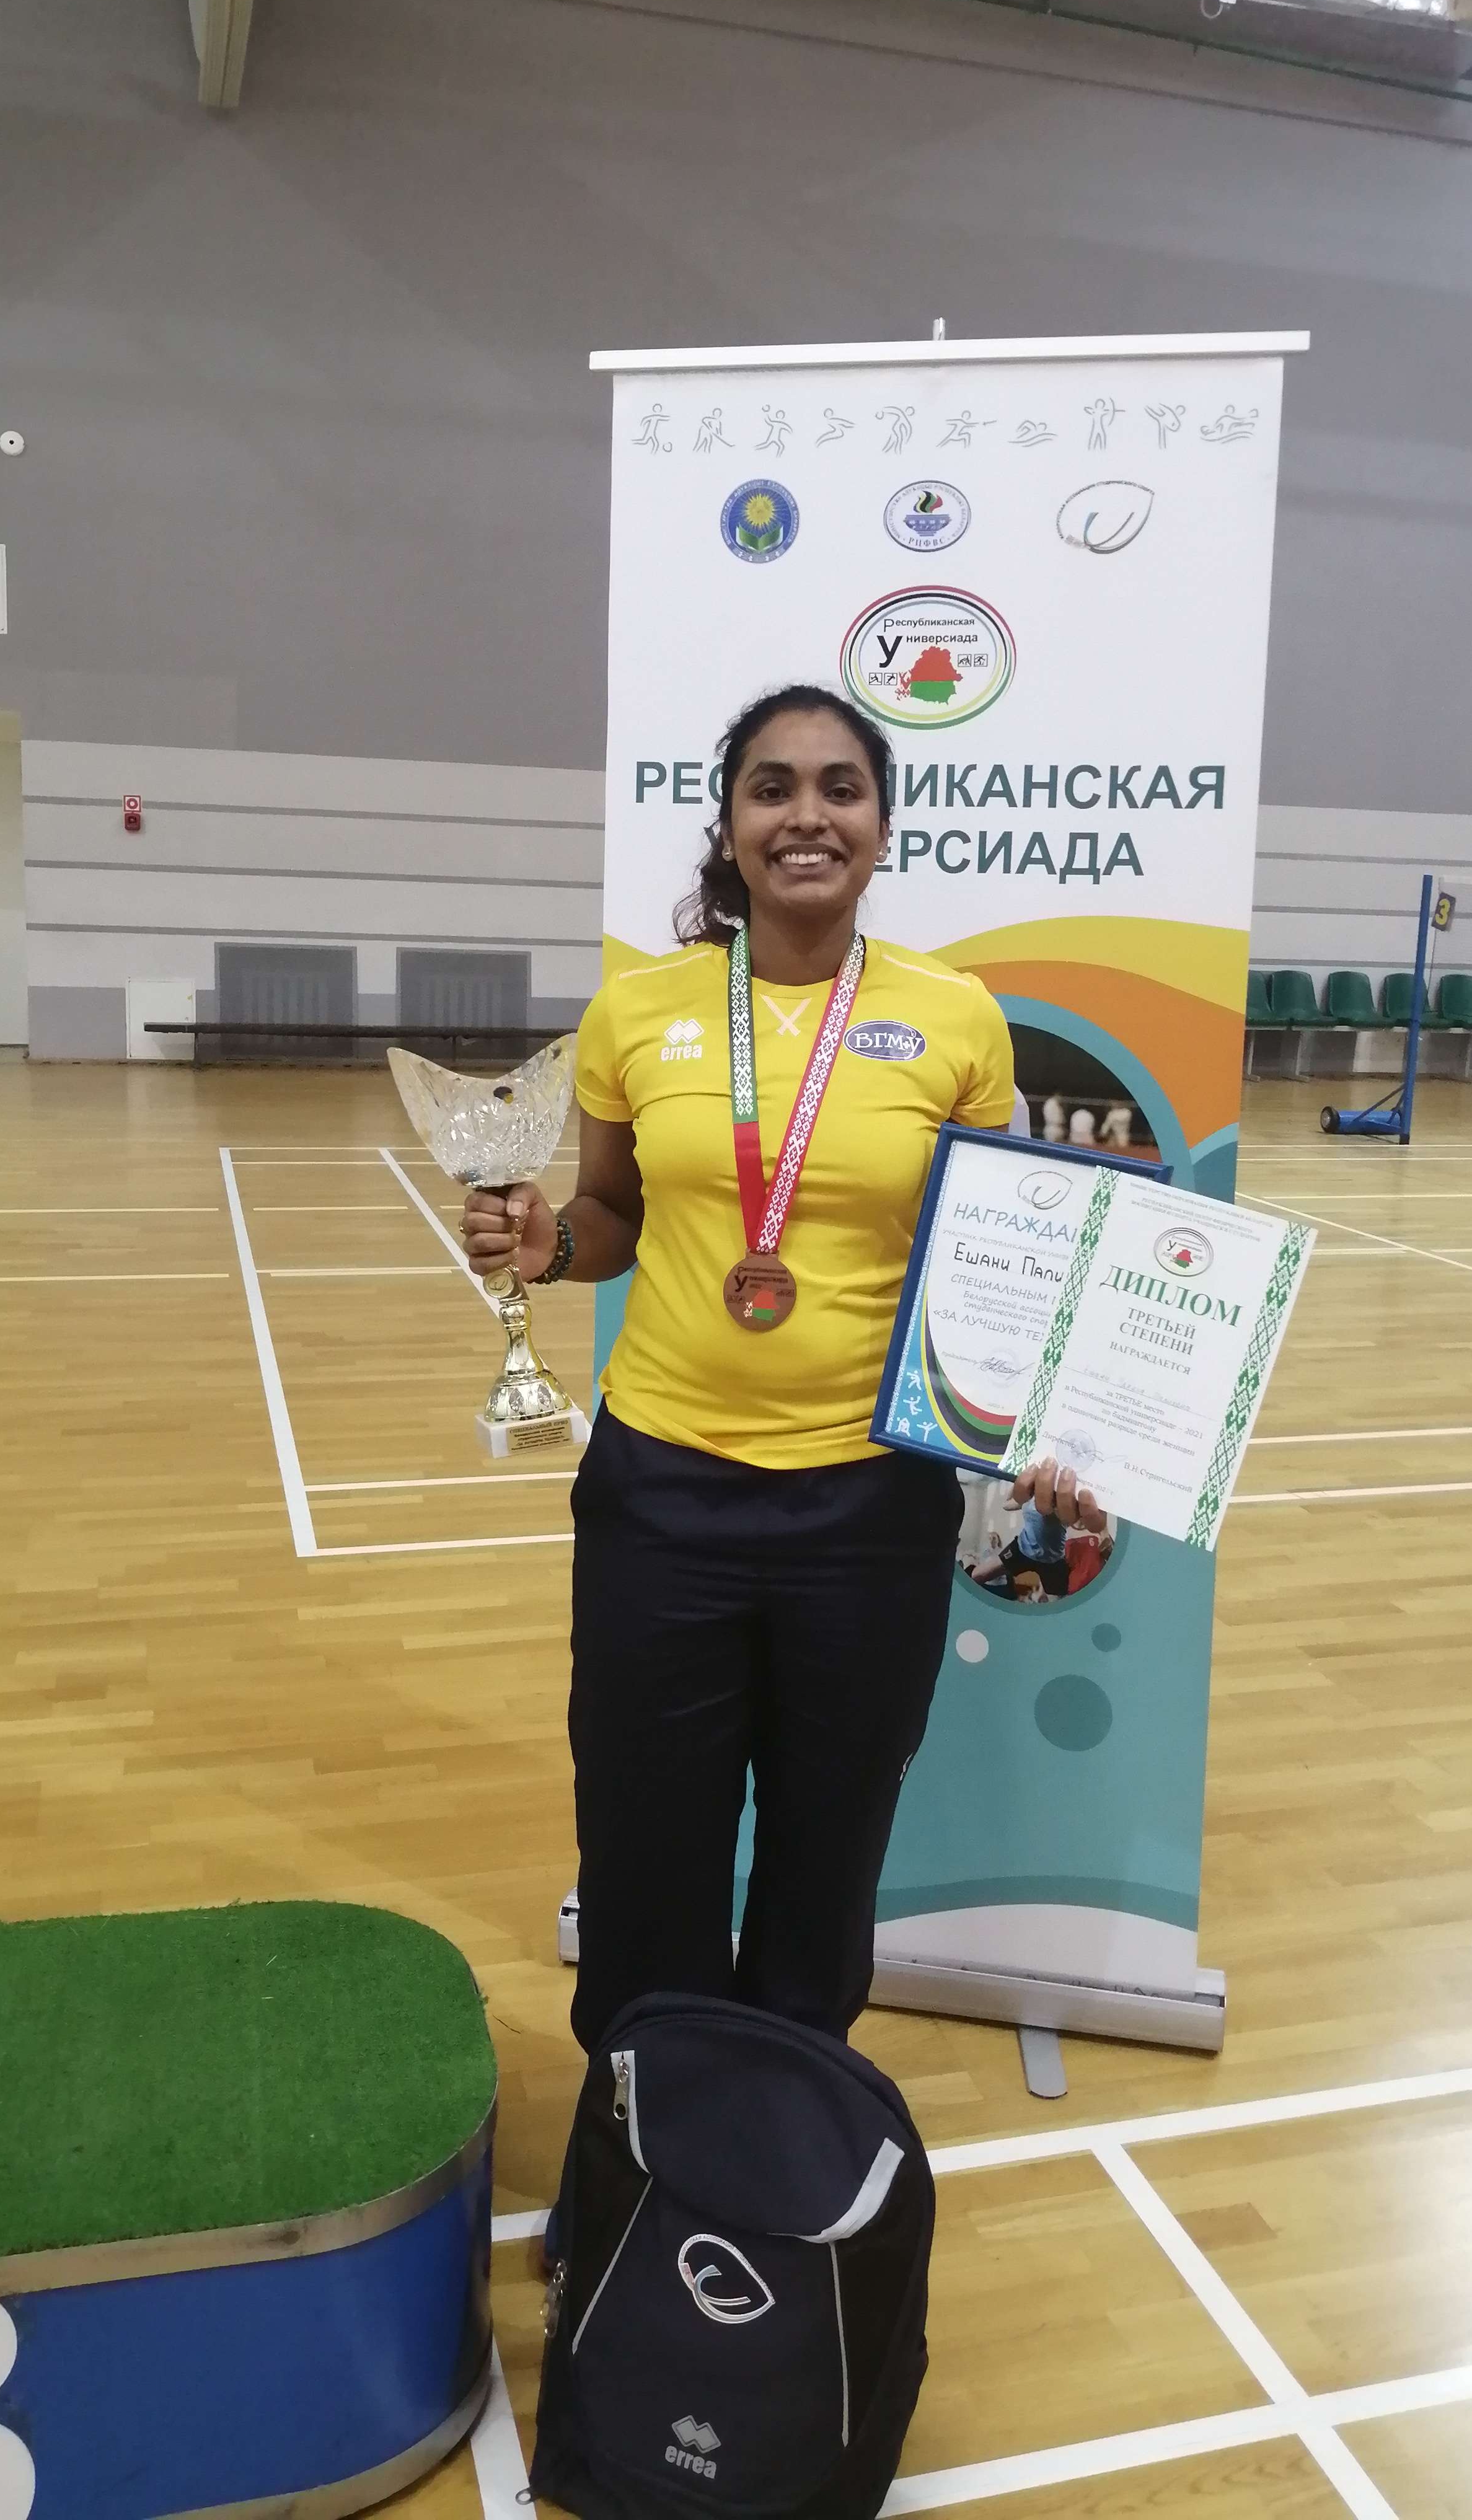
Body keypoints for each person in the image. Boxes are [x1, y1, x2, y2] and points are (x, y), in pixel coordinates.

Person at [464, 682, 1104, 2046]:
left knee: (826, 1863)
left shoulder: (959, 1019)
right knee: (646, 1854)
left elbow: (998, 1261)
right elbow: (613, 1214)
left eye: (839, 788)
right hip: (663, 1496)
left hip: (868, 1511)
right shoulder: (640, 1009)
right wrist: (546, 1241)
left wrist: (1060, 1425)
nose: (806, 815)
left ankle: (786, 2126)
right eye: (772, 787)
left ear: (881, 827)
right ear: (731, 825)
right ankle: (643, 2133)